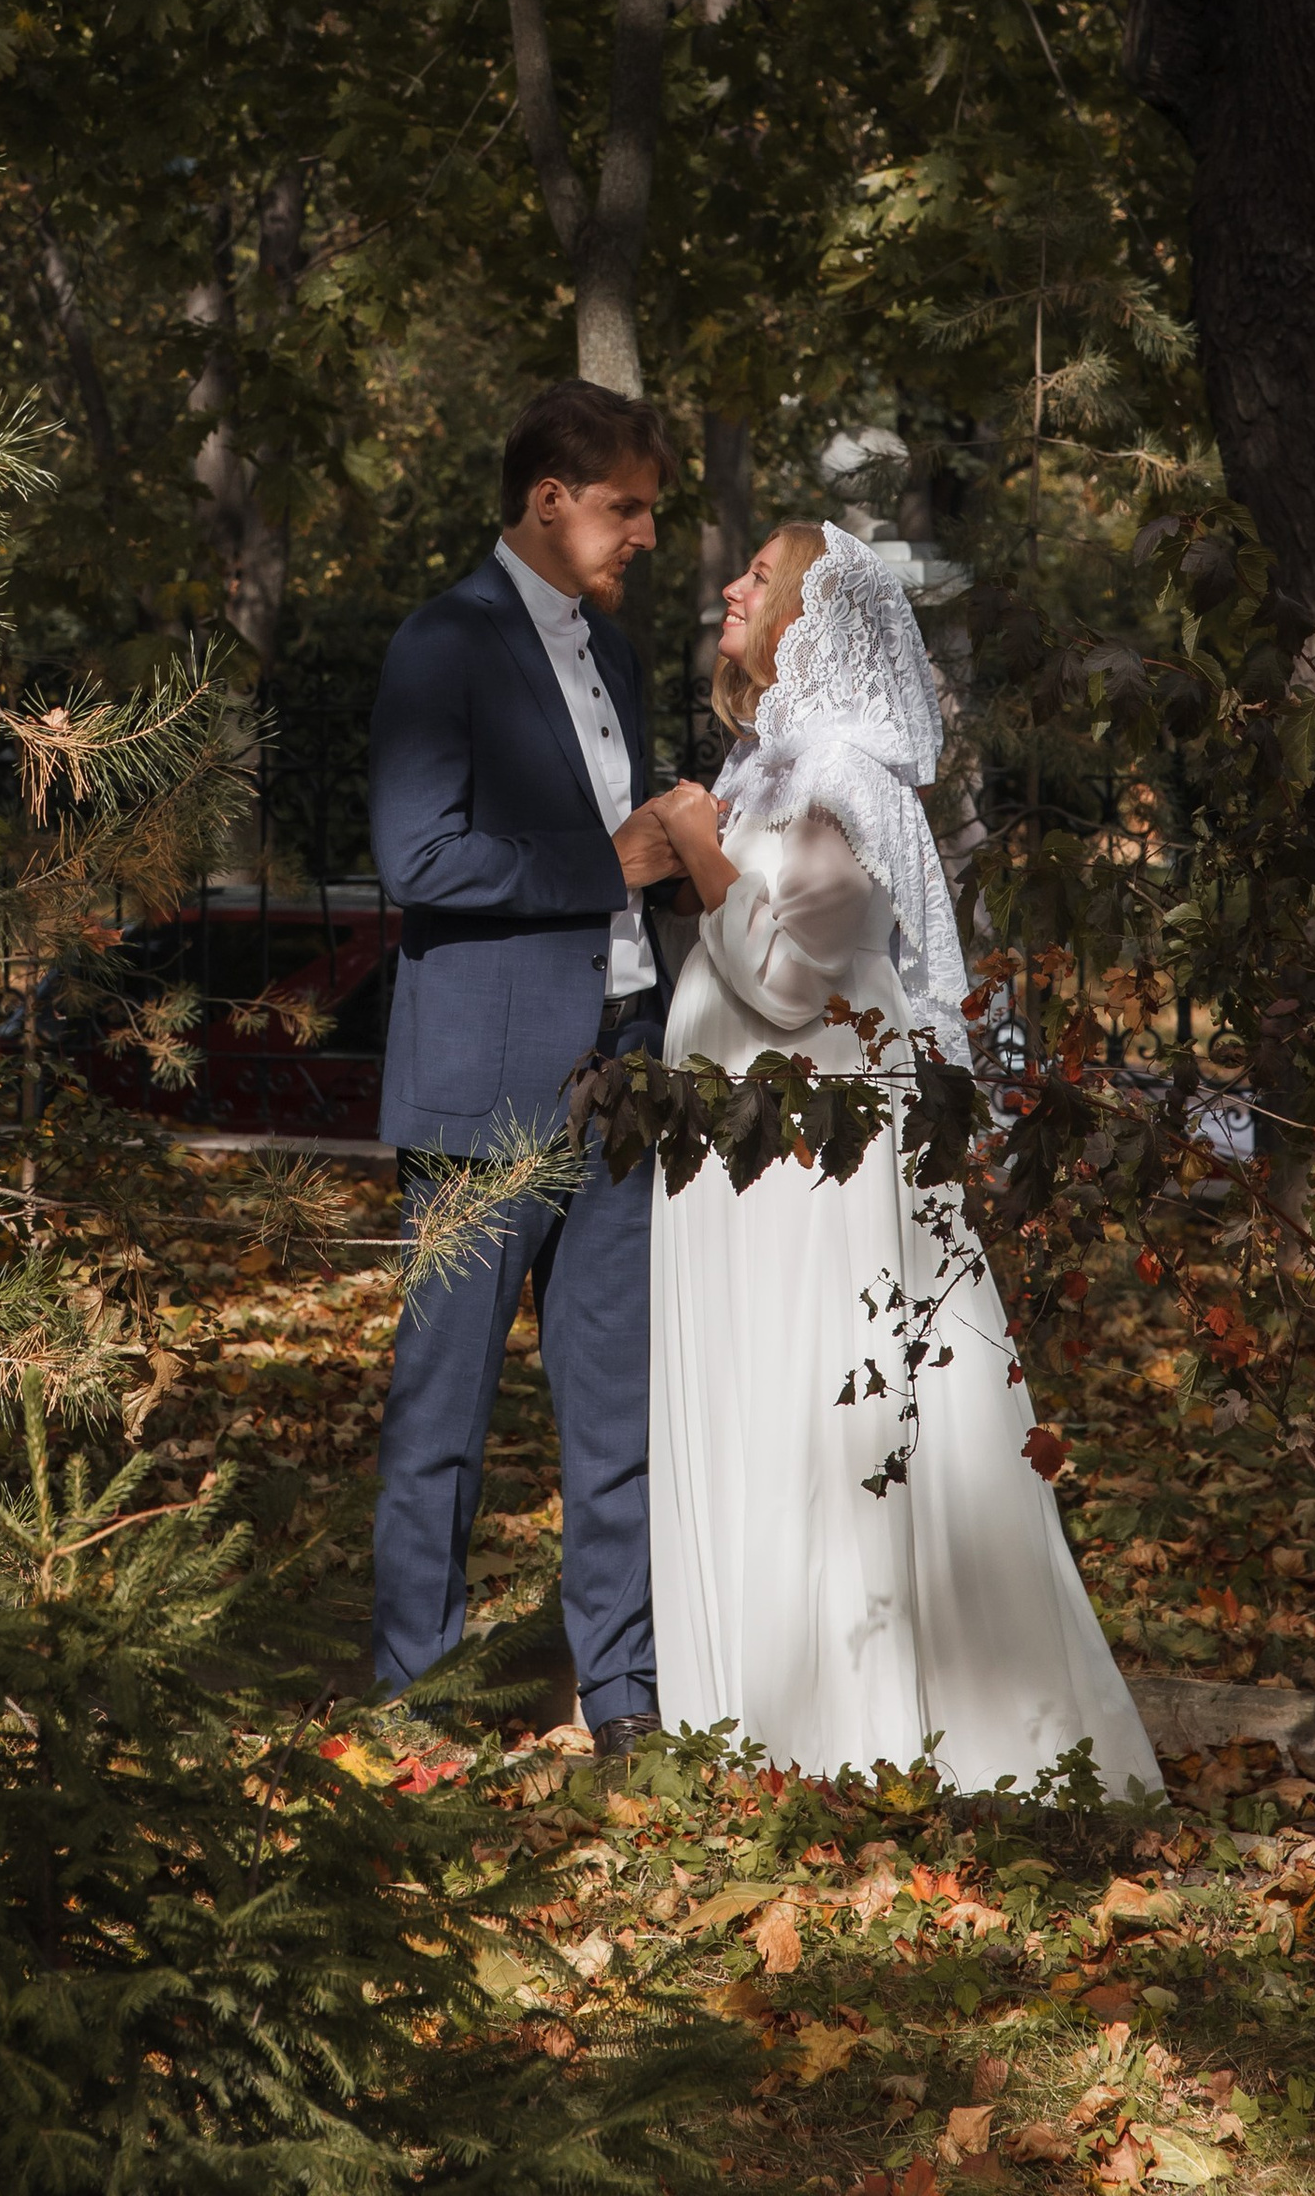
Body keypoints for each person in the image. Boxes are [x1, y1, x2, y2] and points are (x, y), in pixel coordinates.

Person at [646, 517, 1160, 1794]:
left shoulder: (845, 785)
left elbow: (781, 977)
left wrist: (696, 845)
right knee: (750, 1397)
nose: (730, 586)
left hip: (811, 1167)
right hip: (738, 1158)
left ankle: (855, 1734)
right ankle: (746, 1721)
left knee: (818, 1400)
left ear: (813, 618)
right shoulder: (766, 766)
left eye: (757, 577)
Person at [366, 378, 680, 1761]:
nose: (646, 536)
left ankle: (625, 1701)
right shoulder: (444, 642)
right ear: (549, 499)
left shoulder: (613, 654)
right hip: (484, 1088)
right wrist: (602, 866)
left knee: (616, 1410)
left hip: (619, 1081)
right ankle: (416, 1703)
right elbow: (416, 860)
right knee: (445, 1413)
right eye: (628, 508)